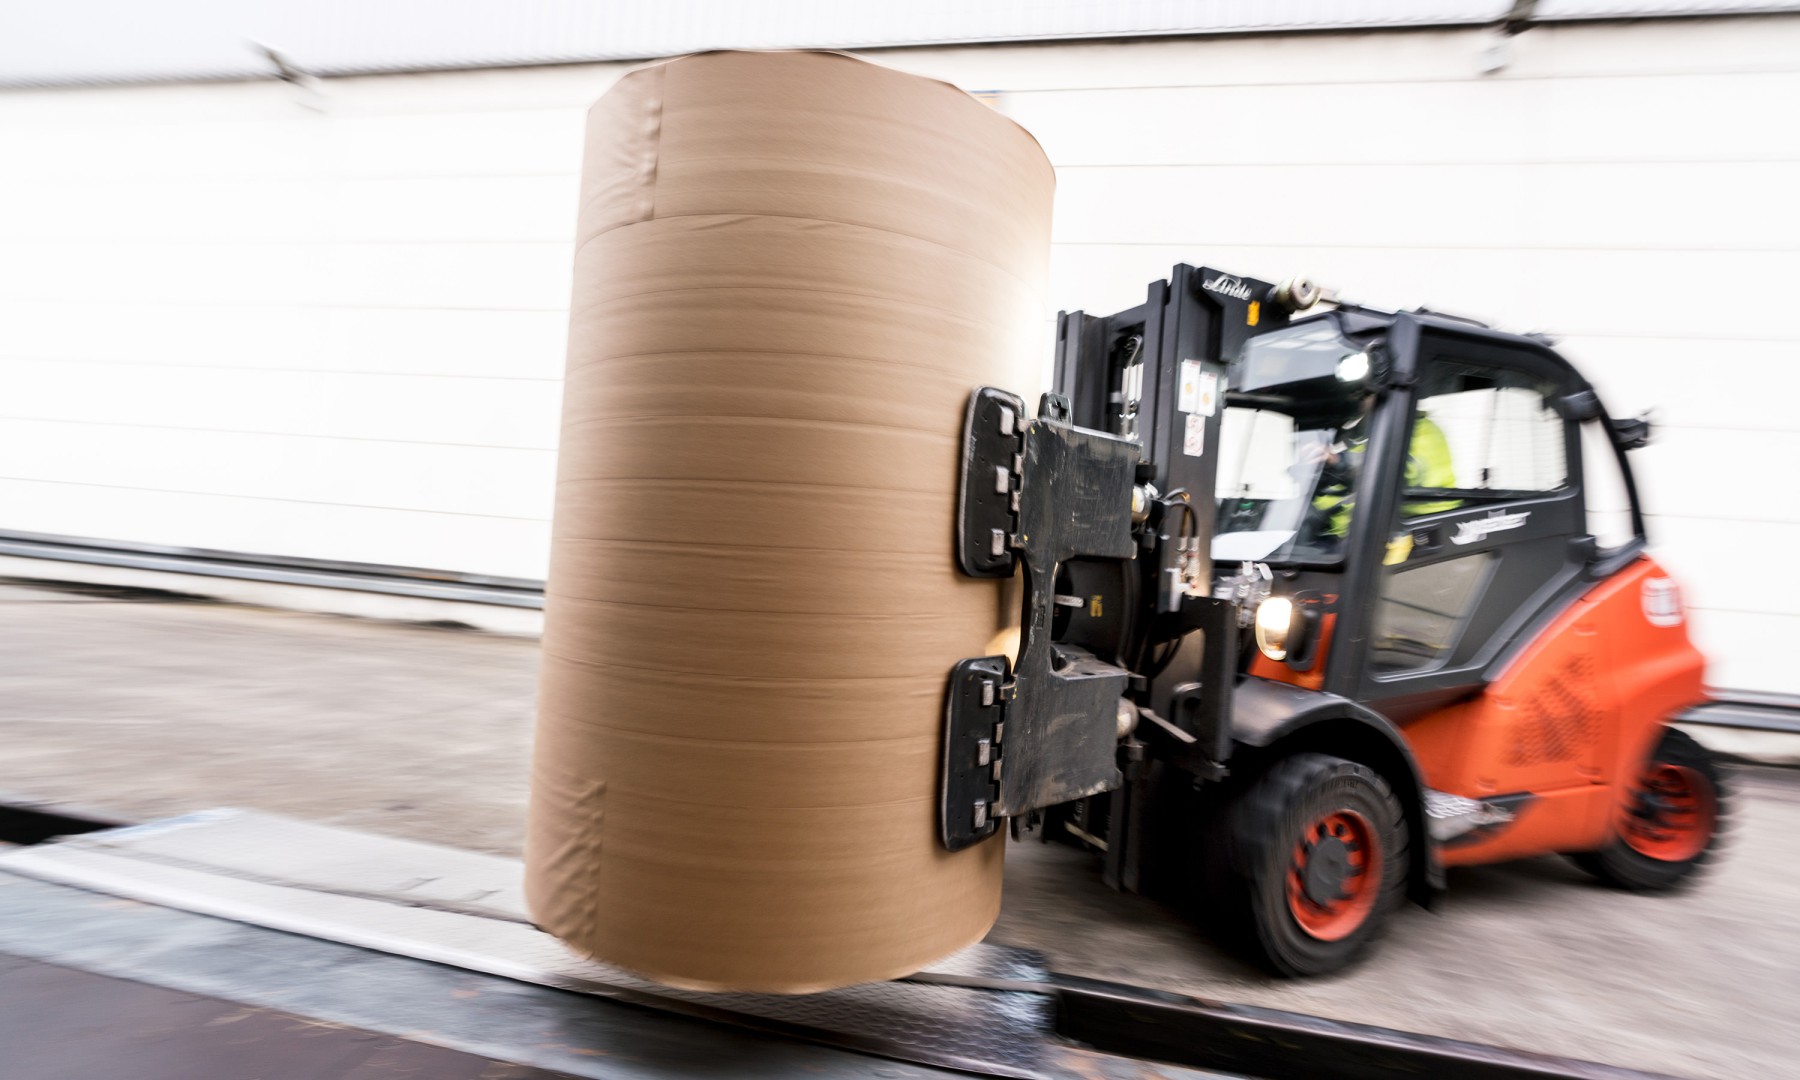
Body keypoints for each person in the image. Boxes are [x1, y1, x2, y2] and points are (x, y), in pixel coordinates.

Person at [1309, 408, 1459, 543]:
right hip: (1345, 535)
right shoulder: (1378, 437)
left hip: (1422, 531)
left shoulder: (1422, 430)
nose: (1361, 402)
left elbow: (1399, 469)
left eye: (1366, 395)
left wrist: (1341, 461)